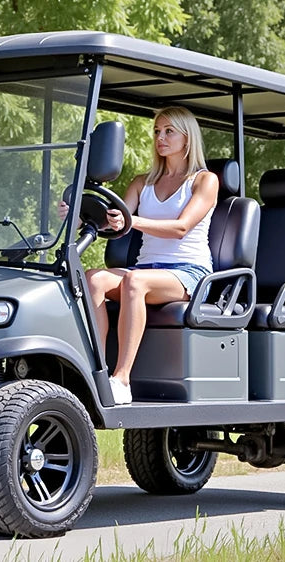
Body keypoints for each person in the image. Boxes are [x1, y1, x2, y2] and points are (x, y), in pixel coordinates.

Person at [62, 106, 218, 405]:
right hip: (147, 268)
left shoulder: (204, 180)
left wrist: (131, 221)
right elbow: (115, 219)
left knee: (134, 281)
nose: (161, 138)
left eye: (169, 131)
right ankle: (96, 371)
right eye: (157, 132)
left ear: (187, 138)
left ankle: (122, 379)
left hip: (188, 272)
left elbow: (181, 227)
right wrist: (77, 217)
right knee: (93, 279)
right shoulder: (142, 182)